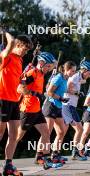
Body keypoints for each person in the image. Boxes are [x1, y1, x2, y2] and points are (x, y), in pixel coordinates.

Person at [15, 52, 63, 169]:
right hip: (27, 110)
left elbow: (54, 64)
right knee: (16, 138)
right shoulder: (33, 73)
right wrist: (35, 93)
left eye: (50, 67)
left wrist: (52, 63)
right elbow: (19, 88)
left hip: (36, 111)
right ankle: (8, 160)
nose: (49, 69)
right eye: (47, 66)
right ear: (41, 63)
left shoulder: (41, 73)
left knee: (46, 133)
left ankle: (45, 159)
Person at [0, 33, 33, 176]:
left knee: (13, 134)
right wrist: (5, 32)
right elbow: (10, 43)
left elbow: (17, 81)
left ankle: (8, 165)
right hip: (2, 99)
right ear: (18, 45)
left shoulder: (19, 60)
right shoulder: (6, 57)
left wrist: (23, 87)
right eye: (25, 49)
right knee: (0, 133)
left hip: (14, 101)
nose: (26, 53)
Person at [42, 61, 76, 163]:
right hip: (50, 106)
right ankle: (42, 156)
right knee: (47, 133)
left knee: (61, 131)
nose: (73, 73)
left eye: (75, 71)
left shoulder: (66, 79)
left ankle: (55, 154)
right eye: (72, 70)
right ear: (66, 69)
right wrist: (61, 98)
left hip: (58, 107)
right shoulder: (58, 77)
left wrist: (71, 93)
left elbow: (61, 90)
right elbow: (49, 92)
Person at [62, 60, 90, 161]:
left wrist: (84, 83)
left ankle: (57, 153)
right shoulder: (75, 76)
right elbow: (66, 88)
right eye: (89, 73)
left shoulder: (79, 77)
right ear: (84, 70)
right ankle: (75, 152)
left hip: (70, 105)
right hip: (68, 105)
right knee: (79, 129)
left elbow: (82, 80)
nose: (89, 76)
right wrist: (77, 93)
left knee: (62, 131)